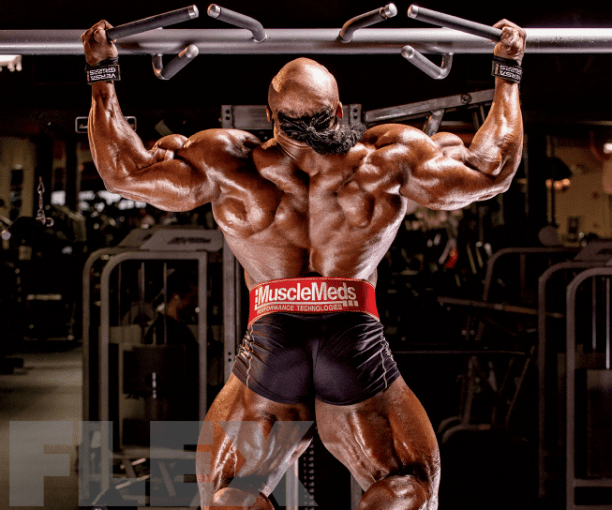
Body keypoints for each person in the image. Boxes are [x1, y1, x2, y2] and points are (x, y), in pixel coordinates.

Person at [82, 17, 526, 510]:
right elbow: (492, 171)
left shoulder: (229, 163)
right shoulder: (385, 159)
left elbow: (124, 173)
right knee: (411, 484)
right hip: (352, 336)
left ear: (269, 116)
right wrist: (507, 70)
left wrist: (102, 73)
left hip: (274, 339)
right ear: (337, 111)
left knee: (229, 493)